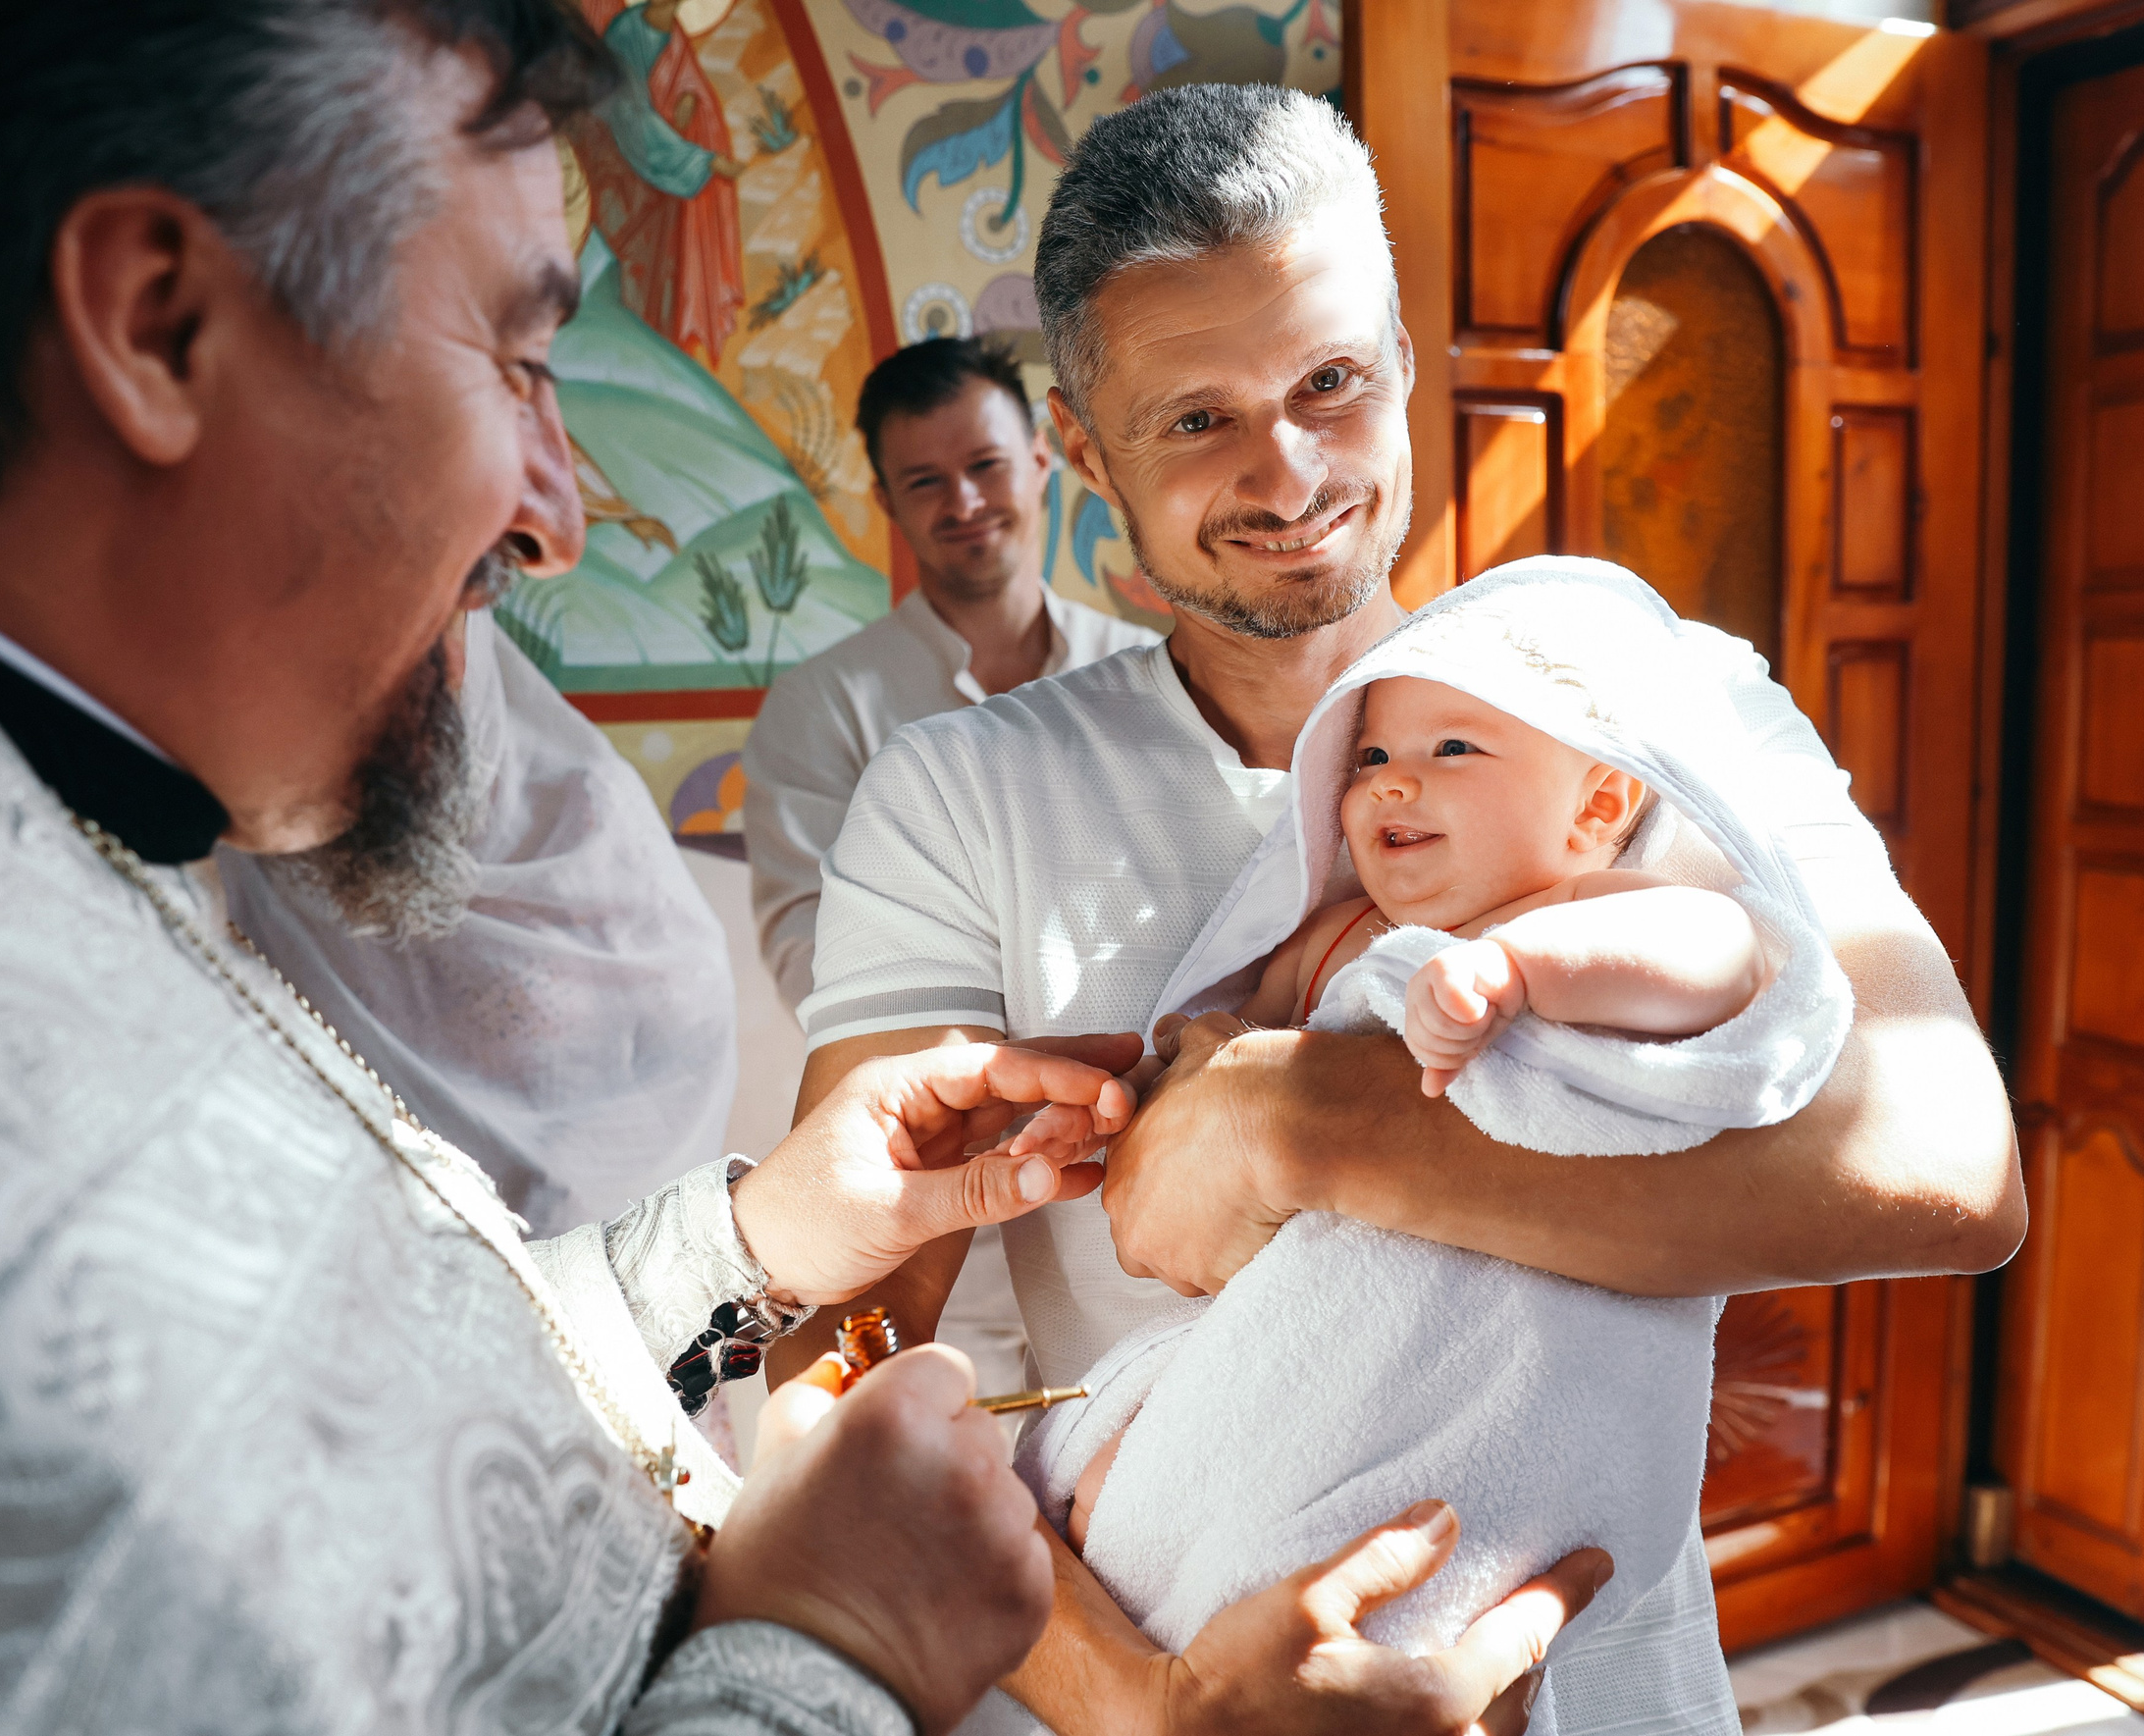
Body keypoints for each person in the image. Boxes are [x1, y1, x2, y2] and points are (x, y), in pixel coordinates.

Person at [0, 10, 1609, 1734]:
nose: (559, 504)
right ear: (156, 321)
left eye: (1333, 383)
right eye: (515, 351)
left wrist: (739, 1242)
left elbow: (368, 1416)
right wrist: (832, 1646)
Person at [777, 85, 2024, 1735]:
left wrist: (1299, 1126)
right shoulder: (955, 798)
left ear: (1404, 360)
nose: (1287, 468)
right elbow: (836, 1359)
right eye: (1196, 418)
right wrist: (1154, 1703)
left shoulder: (1645, 704)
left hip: (1609, 1672)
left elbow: (1951, 1168)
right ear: (1083, 450)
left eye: (1330, 382)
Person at [1047, 563, 1857, 1736]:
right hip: (1316, 1313)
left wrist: (1521, 970)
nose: (1396, 781)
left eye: (1454, 750)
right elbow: (1222, 1061)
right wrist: (1141, 1084)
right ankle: (1187, 1522)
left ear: (1593, 805)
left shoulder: (1591, 908)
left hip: (1502, 1330)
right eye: (1368, 757)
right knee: (1139, 1454)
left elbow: (1729, 953)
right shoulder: (1338, 937)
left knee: (1416, 1499)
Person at [746, 339, 1154, 1401]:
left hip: (1125, 1141)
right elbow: (805, 939)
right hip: (922, 1164)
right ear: (886, 499)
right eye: (925, 480)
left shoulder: (1148, 676)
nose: (963, 500)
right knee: (919, 1438)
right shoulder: (823, 705)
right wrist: (989, 1058)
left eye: (983, 464)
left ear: (1042, 456)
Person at [221, 609, 744, 1237]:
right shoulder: (235, 842)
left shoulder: (589, 837)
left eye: (435, 625)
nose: (381, 683)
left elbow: (662, 1088)